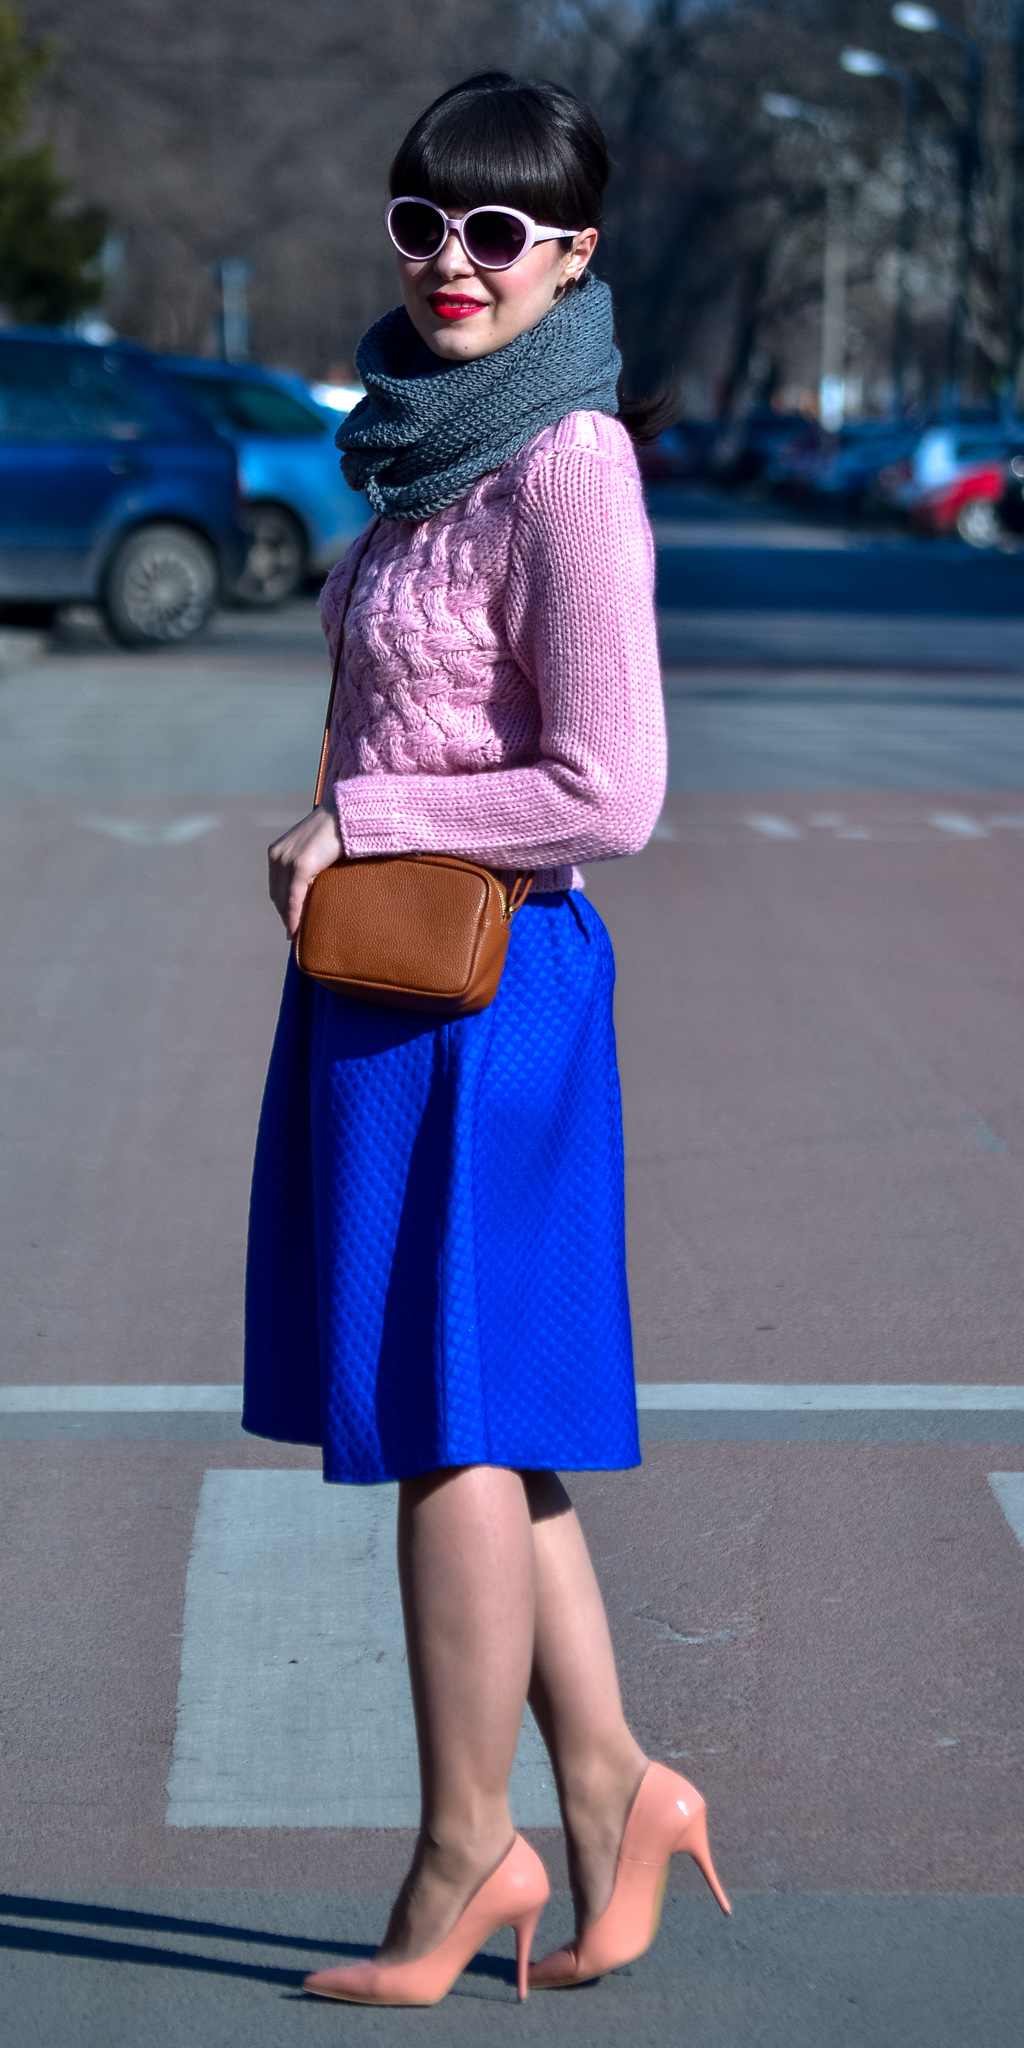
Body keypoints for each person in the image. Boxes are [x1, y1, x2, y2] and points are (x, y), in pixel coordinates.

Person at [243, 70, 729, 2008]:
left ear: (571, 258)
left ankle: (465, 1849)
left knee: (446, 1420)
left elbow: (611, 790)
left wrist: (358, 820)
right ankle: (614, 1790)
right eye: (422, 223)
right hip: (381, 985)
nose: (455, 262)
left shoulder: (563, 464)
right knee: (489, 1431)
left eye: (499, 232)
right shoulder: (421, 454)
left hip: (493, 990)